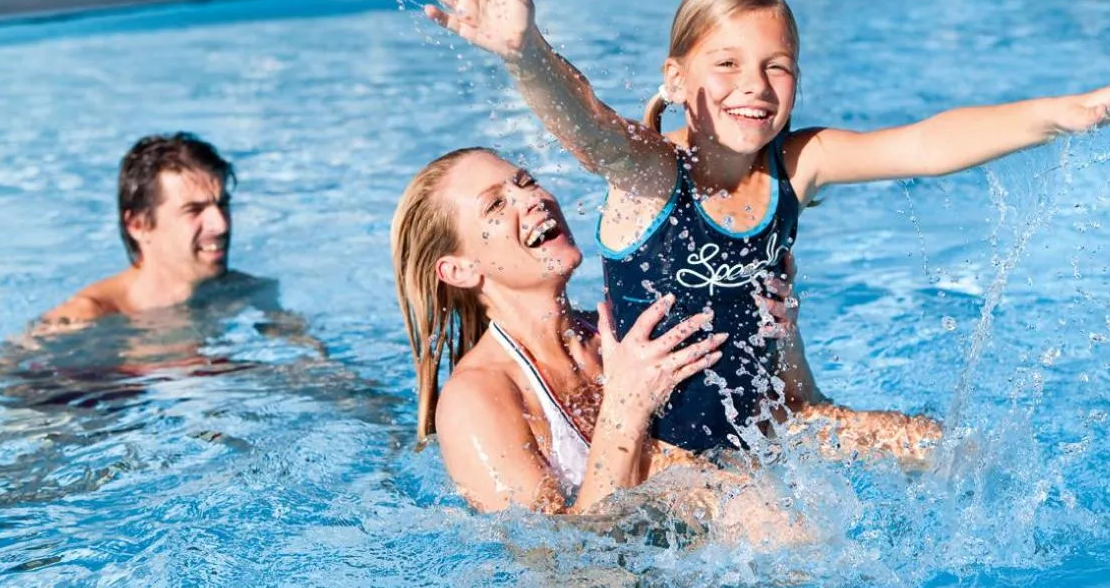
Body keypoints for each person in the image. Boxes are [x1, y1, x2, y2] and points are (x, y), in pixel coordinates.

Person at [417, 0, 1110, 454]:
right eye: (727, 63)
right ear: (675, 82)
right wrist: (526, 54)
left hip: (776, 427)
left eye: (777, 66)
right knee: (789, 541)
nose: (754, 87)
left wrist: (1068, 113)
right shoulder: (651, 176)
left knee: (950, 450)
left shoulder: (796, 166)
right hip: (672, 460)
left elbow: (927, 144)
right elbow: (586, 125)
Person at [391, 147, 934, 516]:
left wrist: (779, 334)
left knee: (939, 445)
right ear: (459, 270)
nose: (532, 198)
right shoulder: (477, 399)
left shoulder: (622, 330)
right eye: (496, 203)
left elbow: (787, 418)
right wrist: (625, 407)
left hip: (708, 554)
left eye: (525, 180)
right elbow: (562, 573)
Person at [40, 133, 240, 326]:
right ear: (138, 225)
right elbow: (15, 360)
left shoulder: (244, 294)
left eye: (222, 205)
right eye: (194, 210)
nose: (221, 225)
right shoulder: (85, 319)